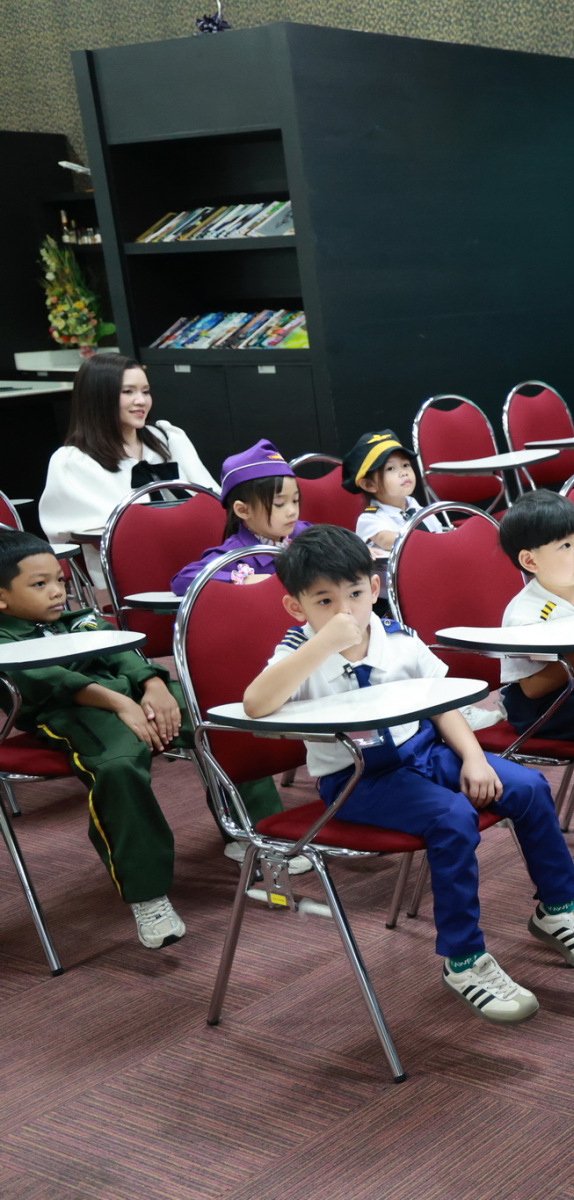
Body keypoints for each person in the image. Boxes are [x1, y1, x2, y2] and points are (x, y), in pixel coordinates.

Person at [243, 525, 574, 1023]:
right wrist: (322, 646)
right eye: (324, 602)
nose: (344, 611)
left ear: (374, 588)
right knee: (451, 817)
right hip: (357, 781)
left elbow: (442, 704)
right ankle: (464, 960)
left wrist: (474, 757)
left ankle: (558, 908)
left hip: (425, 752)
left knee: (527, 786)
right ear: (297, 608)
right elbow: (256, 704)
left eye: (355, 594)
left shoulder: (397, 638)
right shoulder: (297, 651)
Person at [0, 527, 289, 948]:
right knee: (117, 768)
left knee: (217, 722)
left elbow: (122, 651)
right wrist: (121, 704)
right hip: (71, 711)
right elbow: (49, 681)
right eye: (39, 584)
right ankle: (148, 895)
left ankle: (256, 835)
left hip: (134, 693)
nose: (58, 591)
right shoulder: (5, 639)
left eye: (59, 580)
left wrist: (153, 685)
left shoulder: (74, 616)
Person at [39, 353, 218, 578]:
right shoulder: (73, 462)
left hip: (199, 557)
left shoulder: (167, 438)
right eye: (128, 392)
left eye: (145, 391)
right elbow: (83, 533)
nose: (141, 401)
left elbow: (214, 499)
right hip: (129, 572)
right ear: (98, 397)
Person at [496, 489, 574, 742]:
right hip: (543, 708)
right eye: (566, 545)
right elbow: (531, 689)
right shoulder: (524, 614)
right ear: (530, 561)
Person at [171, 439, 309, 594]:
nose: (292, 511)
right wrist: (242, 579)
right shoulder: (236, 554)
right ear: (243, 510)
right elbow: (182, 580)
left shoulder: (305, 534)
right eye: (279, 504)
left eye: (295, 500)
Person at [342, 429, 437, 551]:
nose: (403, 473)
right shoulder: (370, 519)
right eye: (391, 468)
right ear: (369, 485)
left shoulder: (418, 509)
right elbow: (385, 539)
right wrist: (428, 541)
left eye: (405, 465)